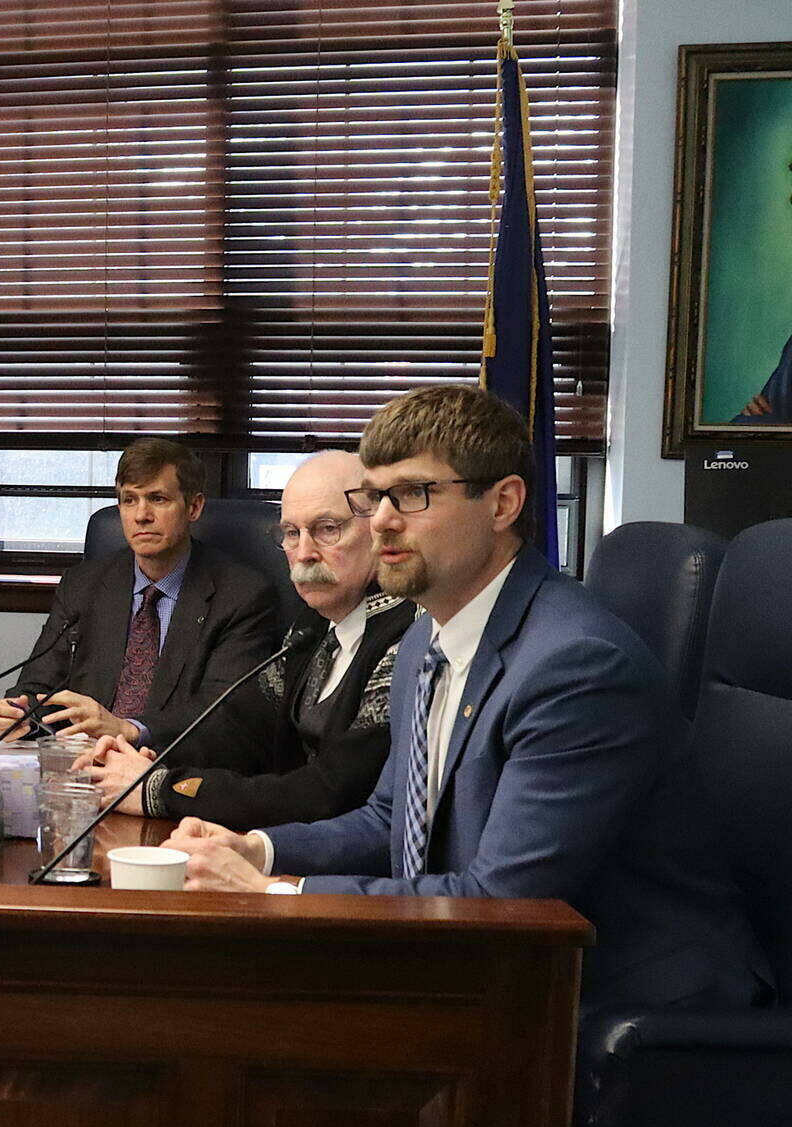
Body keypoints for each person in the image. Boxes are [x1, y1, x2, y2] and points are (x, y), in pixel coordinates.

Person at [164, 384, 769, 1010]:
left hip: (624, 1008)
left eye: (414, 494)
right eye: (374, 498)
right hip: (480, 966)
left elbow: (498, 902)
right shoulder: (428, 630)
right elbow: (389, 819)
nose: (382, 522)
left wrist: (278, 894)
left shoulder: (576, 667)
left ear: (503, 503)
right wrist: (257, 849)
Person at [77, 450, 416, 829]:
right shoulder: (313, 626)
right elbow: (241, 727)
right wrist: (138, 748)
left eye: (327, 529)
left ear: (377, 528)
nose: (304, 553)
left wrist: (159, 788)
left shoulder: (407, 640)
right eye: (291, 533)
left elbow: (330, 793)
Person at [0, 437, 280, 744]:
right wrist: (20, 712)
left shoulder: (241, 596)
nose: (141, 515)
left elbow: (224, 717)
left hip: (170, 772)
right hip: (80, 768)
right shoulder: (83, 586)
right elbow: (38, 686)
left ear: (193, 506)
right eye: (129, 500)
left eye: (158, 499)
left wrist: (131, 730)